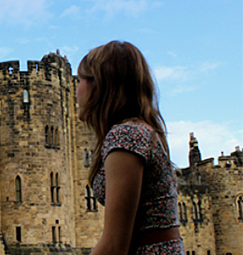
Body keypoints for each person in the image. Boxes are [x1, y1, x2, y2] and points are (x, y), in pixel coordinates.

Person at [77, 41, 184, 255]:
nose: (76, 89)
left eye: (80, 80)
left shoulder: (127, 136)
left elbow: (114, 246)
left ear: (99, 86)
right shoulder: (140, 131)